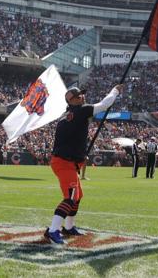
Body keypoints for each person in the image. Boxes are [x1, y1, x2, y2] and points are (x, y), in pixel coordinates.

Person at [44, 84, 122, 245]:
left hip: (67, 160)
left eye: (82, 95)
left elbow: (70, 139)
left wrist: (79, 154)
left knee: (78, 196)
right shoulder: (81, 111)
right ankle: (53, 230)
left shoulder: (66, 116)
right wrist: (115, 90)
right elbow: (105, 104)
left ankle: (69, 226)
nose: (83, 97)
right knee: (71, 197)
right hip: (65, 162)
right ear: (70, 100)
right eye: (79, 96)